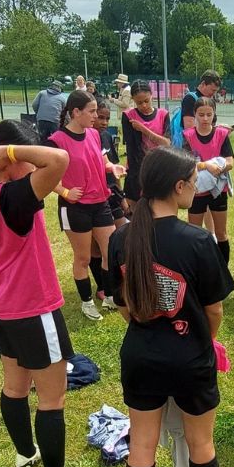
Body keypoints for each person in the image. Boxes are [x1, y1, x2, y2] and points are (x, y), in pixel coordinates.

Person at [0, 122, 102, 467]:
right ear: (6, 162)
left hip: (0, 306)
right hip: (32, 308)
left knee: (15, 386)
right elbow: (59, 159)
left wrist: (5, 154)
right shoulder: (14, 196)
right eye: (24, 157)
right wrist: (10, 153)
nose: (32, 165)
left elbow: (47, 165)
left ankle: (25, 454)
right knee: (52, 398)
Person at [107, 146, 234, 467]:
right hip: (190, 357)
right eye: (194, 183)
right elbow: (214, 311)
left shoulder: (121, 237)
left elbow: (123, 306)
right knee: (201, 439)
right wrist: (202, 343)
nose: (196, 190)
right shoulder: (198, 240)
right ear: (178, 186)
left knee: (142, 441)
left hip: (141, 355)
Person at [47, 90, 126, 322]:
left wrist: (113, 168)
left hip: (100, 202)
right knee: (82, 258)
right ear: (75, 112)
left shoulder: (94, 134)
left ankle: (109, 295)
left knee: (109, 252)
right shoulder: (56, 141)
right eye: (91, 111)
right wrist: (64, 191)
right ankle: (87, 302)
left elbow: (103, 161)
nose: (95, 115)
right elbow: (43, 176)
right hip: (75, 207)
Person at [182, 97, 234, 265]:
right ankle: (198, 269)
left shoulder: (221, 134)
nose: (205, 118)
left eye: (209, 114)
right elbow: (186, 163)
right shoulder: (188, 136)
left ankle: (222, 270)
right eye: (201, 114)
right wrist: (207, 166)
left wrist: (219, 167)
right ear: (195, 115)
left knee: (221, 233)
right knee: (195, 234)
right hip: (196, 190)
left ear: (214, 114)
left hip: (218, 190)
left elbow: (230, 162)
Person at [92, 98, 127, 311]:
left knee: (120, 238)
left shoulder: (105, 137)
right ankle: (103, 287)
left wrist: (121, 195)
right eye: (100, 117)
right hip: (92, 199)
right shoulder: (83, 139)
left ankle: (118, 284)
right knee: (95, 248)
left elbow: (114, 169)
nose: (104, 122)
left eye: (106, 117)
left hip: (111, 195)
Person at [122, 80, 171, 209]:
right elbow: (131, 149)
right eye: (139, 103)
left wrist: (143, 129)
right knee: (135, 210)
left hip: (158, 168)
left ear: (151, 95)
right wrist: (135, 174)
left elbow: (167, 143)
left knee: (157, 208)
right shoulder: (128, 116)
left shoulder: (163, 114)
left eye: (146, 101)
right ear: (133, 99)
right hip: (137, 170)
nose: (143, 105)